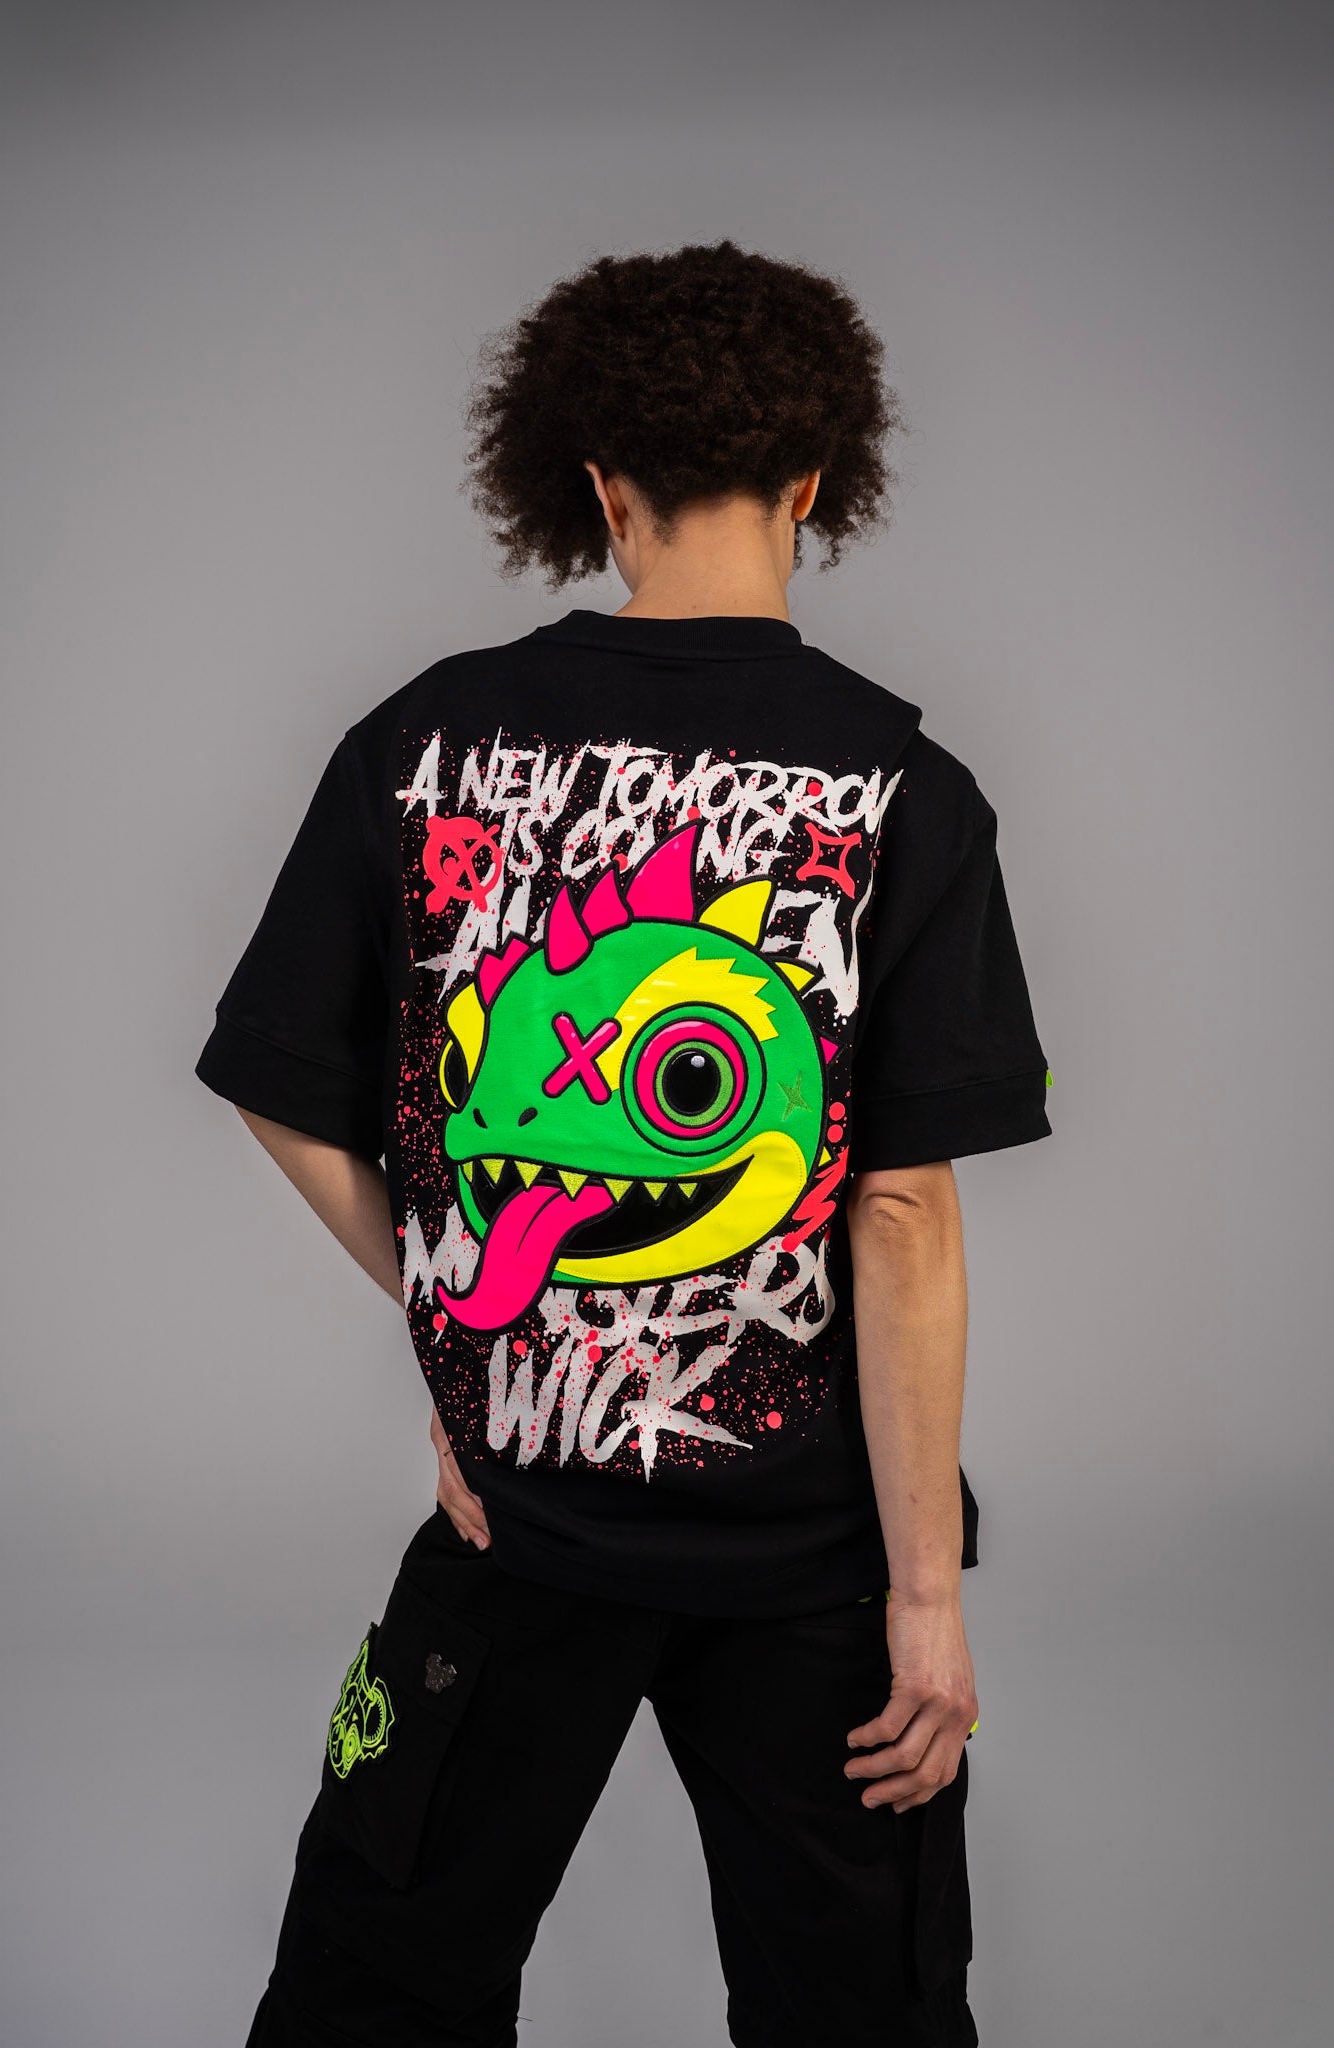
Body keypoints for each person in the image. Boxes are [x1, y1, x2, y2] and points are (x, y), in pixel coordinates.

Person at [195, 239, 1052, 2048]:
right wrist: (925, 1602)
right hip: (813, 1559)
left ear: (594, 485)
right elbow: (899, 1213)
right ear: (811, 483)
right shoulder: (904, 786)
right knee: (862, 2022)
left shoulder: (419, 740)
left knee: (373, 1996)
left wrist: (462, 1328)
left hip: (520, 1512)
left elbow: (281, 1081)